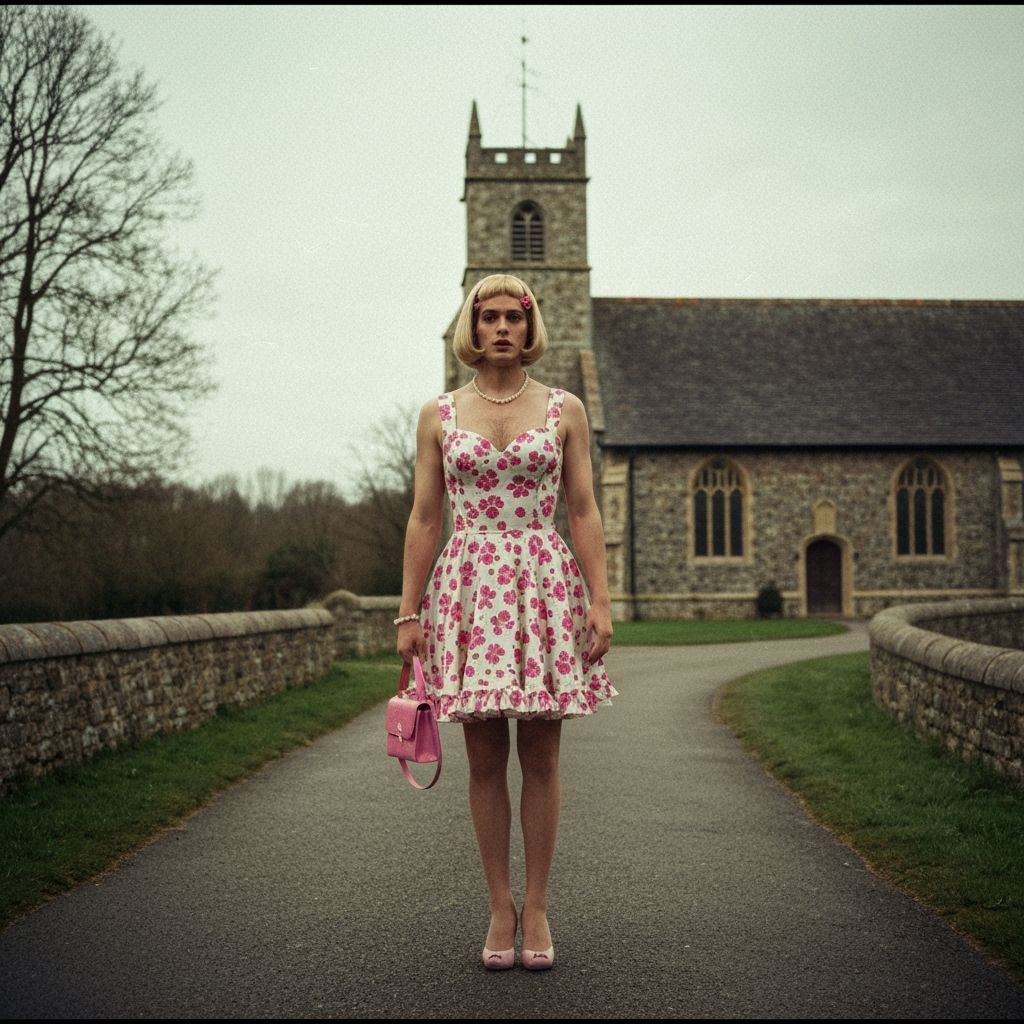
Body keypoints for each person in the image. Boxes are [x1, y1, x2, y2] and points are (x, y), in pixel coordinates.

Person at [395, 273, 617, 971]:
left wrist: (600, 599)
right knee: (485, 760)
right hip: (466, 592)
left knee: (543, 758)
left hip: (544, 584)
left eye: (511, 319)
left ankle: (541, 906)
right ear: (471, 326)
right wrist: (409, 610)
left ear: (529, 329)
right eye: (486, 317)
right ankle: (500, 908)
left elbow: (582, 510)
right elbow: (426, 517)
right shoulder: (439, 413)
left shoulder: (565, 410)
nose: (499, 328)